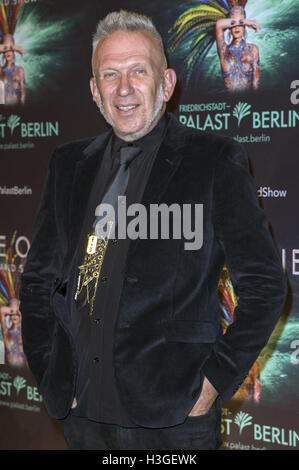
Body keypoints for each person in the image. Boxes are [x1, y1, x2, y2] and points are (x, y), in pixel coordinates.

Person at [20, 10, 286, 450]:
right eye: (110, 74)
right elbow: (36, 282)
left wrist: (209, 387)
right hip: (81, 415)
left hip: (173, 422)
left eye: (138, 71)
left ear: (166, 84)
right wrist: (50, 370)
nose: (123, 89)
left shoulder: (214, 161)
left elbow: (265, 286)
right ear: (94, 90)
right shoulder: (68, 165)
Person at [216, 6, 260, 91]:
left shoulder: (253, 49)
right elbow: (219, 25)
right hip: (229, 102)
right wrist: (247, 21)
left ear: (244, 26)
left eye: (240, 24)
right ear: (229, 26)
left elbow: (256, 83)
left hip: (249, 101)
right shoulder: (224, 51)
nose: (237, 27)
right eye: (233, 23)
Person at [0, 34, 25, 105]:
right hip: (2, 111)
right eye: (5, 49)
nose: (8, 52)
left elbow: (23, 95)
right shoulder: (0, 70)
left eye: (10, 50)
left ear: (13, 52)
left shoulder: (20, 70)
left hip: (16, 111)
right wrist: (13, 47)